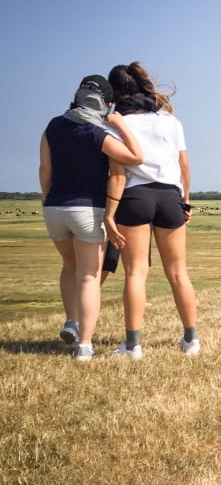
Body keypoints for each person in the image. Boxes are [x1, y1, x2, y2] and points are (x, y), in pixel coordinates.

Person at [39, 75, 144, 361]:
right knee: (89, 275)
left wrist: (45, 196)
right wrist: (120, 125)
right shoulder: (98, 133)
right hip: (88, 210)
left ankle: (71, 322)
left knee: (69, 265)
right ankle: (84, 345)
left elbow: (44, 167)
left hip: (54, 208)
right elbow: (135, 157)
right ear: (106, 105)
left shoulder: (53, 126)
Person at [104, 62, 200, 358]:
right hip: (170, 196)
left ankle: (132, 346)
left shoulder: (116, 122)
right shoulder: (170, 121)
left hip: (134, 197)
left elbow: (117, 173)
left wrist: (109, 213)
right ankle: (191, 341)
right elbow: (184, 166)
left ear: (115, 91)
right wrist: (185, 201)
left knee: (135, 274)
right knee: (178, 273)